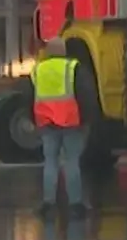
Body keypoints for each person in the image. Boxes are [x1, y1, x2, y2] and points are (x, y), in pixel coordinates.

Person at [33, 37, 92, 217]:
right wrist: (87, 119)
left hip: (46, 123)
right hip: (70, 121)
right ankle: (75, 203)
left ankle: (48, 202)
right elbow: (86, 94)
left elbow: (29, 96)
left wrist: (35, 119)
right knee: (71, 161)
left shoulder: (38, 70)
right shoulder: (73, 68)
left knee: (50, 162)